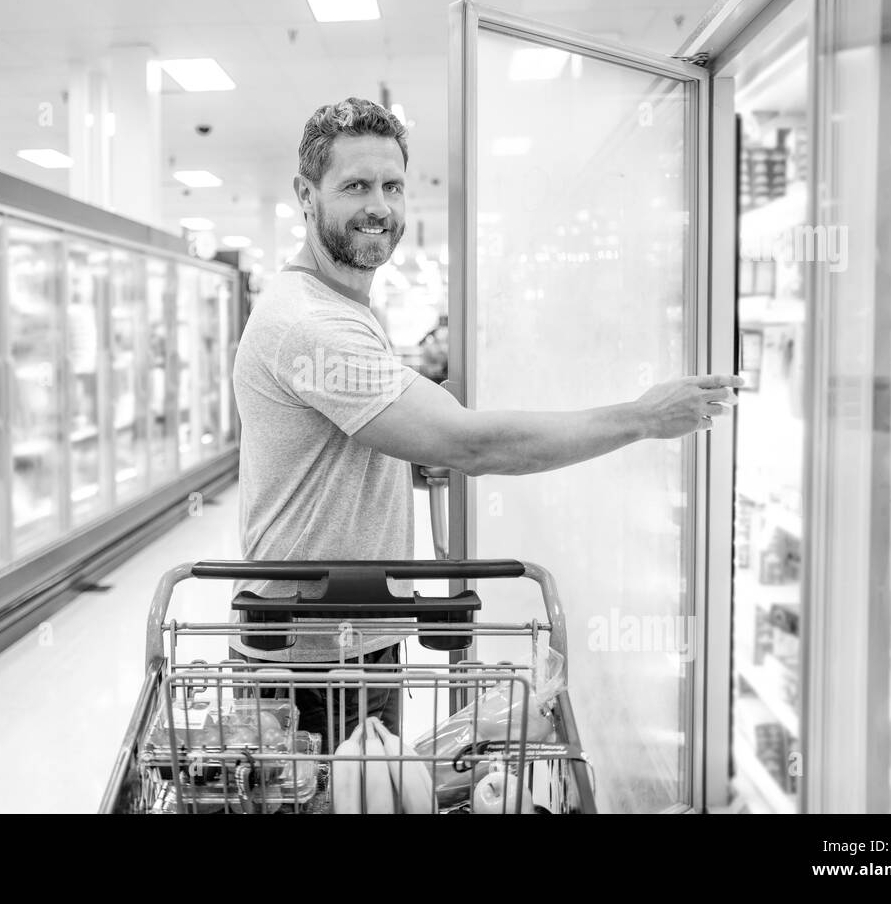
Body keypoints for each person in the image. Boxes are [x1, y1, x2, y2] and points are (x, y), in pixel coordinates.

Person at [231, 96, 740, 749]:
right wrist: (643, 417)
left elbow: (347, 441)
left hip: (350, 630)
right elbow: (471, 444)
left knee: (377, 793)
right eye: (355, 185)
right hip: (307, 658)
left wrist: (415, 427)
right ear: (307, 194)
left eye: (392, 185)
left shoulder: (343, 306)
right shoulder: (311, 323)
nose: (379, 206)